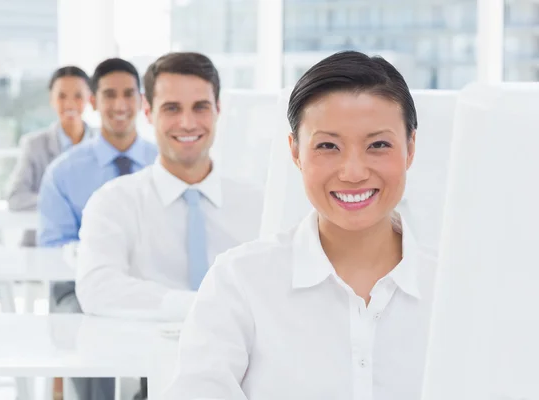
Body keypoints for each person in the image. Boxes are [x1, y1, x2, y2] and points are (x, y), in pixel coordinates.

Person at [161, 51, 437, 400]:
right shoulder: (240, 281)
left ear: (410, 147)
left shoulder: (451, 290)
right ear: (295, 152)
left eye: (378, 145)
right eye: (328, 146)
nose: (353, 172)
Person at [75, 52, 263, 399]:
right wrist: (200, 306)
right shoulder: (114, 201)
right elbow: (96, 287)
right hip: (152, 380)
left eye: (200, 107)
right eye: (172, 108)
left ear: (218, 110)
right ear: (148, 112)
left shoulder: (258, 204)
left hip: (251, 379)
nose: (188, 123)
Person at [37, 57, 157, 400]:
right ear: (93, 101)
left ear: (141, 101)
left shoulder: (163, 162)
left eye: (128, 94)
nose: (119, 105)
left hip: (152, 280)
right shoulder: (63, 172)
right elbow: (54, 249)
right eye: (109, 95)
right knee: (88, 329)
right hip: (80, 286)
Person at [6, 66, 94, 246]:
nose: (69, 104)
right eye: (62, 96)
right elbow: (16, 197)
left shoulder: (103, 143)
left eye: (78, 96)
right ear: (52, 99)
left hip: (93, 246)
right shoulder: (34, 145)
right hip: (41, 247)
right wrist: (62, 203)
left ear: (90, 99)